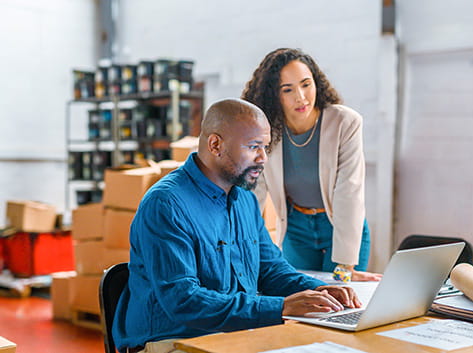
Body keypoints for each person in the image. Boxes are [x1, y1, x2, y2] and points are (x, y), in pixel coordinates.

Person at [112, 98, 361, 353]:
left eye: (265, 147)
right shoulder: (166, 204)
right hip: (172, 341)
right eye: (254, 147)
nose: (263, 158)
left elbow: (271, 270)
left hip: (231, 335)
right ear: (215, 144)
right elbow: (183, 301)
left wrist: (320, 290)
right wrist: (281, 307)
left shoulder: (244, 200)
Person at [241, 48, 382, 281]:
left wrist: (345, 266)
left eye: (306, 84)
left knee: (340, 299)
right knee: (303, 297)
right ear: (273, 95)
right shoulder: (268, 130)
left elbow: (350, 191)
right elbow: (254, 194)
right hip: (297, 229)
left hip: (339, 224)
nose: (301, 97)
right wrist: (245, 251)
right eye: (288, 89)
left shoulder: (344, 122)